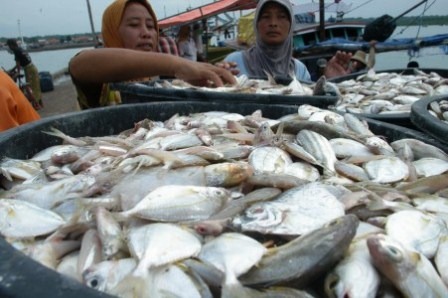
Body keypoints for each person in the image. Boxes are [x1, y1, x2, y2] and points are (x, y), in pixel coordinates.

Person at [69, 0, 235, 110]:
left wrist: (207, 76)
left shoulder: (157, 80)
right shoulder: (101, 82)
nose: (146, 33)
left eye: (151, 26)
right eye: (134, 25)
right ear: (112, 31)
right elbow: (78, 65)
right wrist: (176, 64)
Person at [219, 0, 352, 82]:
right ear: (256, 24)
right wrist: (219, 80)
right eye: (265, 17)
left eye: (282, 17)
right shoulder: (234, 62)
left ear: (291, 24)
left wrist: (330, 82)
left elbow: (306, 109)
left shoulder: (299, 69)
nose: (273, 23)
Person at [6, 39, 43, 109]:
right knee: (36, 87)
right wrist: (13, 69)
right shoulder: (20, 49)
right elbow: (20, 63)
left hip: (29, 70)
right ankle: (40, 104)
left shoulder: (16, 51)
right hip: (32, 67)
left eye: (9, 46)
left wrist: (16, 73)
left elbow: (18, 65)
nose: (9, 47)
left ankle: (36, 105)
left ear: (11, 45)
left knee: (31, 88)